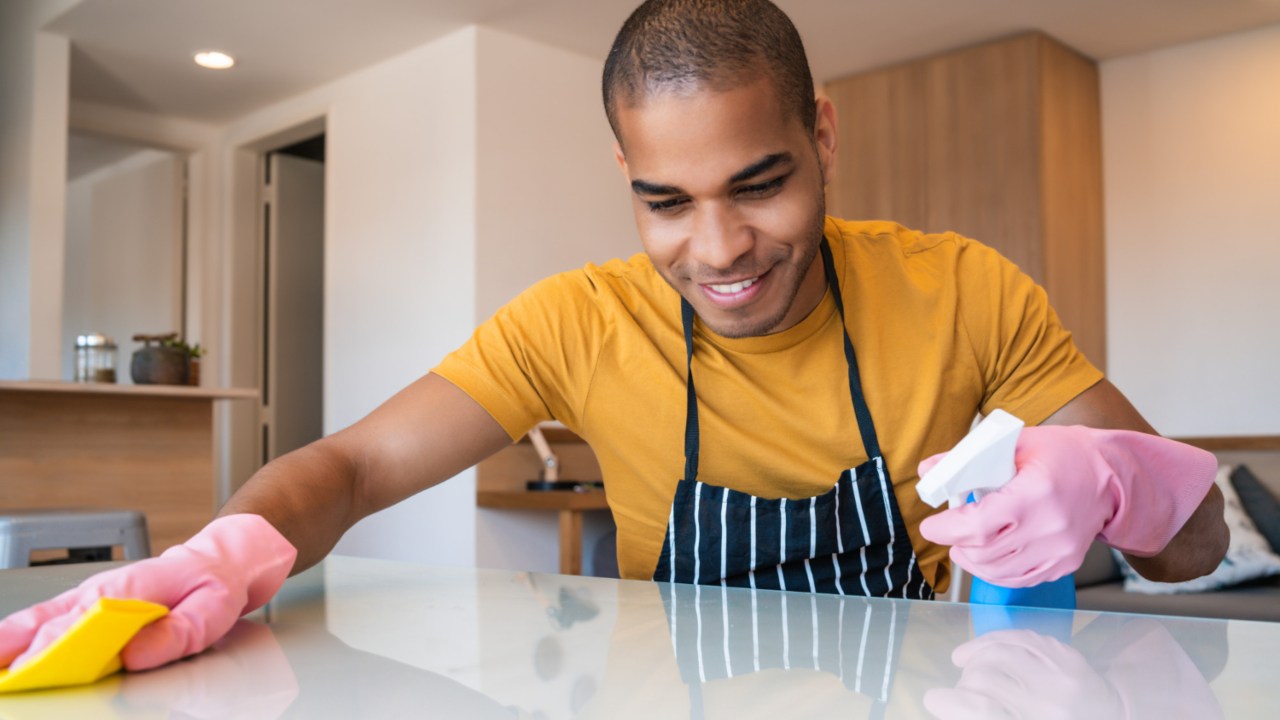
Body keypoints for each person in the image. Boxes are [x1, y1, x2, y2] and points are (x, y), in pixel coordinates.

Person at [0, 0, 1226, 674]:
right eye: (664, 201)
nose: (719, 248)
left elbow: (1198, 549)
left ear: (824, 138)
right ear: (626, 176)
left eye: (760, 183)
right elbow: (358, 467)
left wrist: (1120, 486)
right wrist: (230, 548)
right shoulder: (576, 320)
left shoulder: (963, 293)